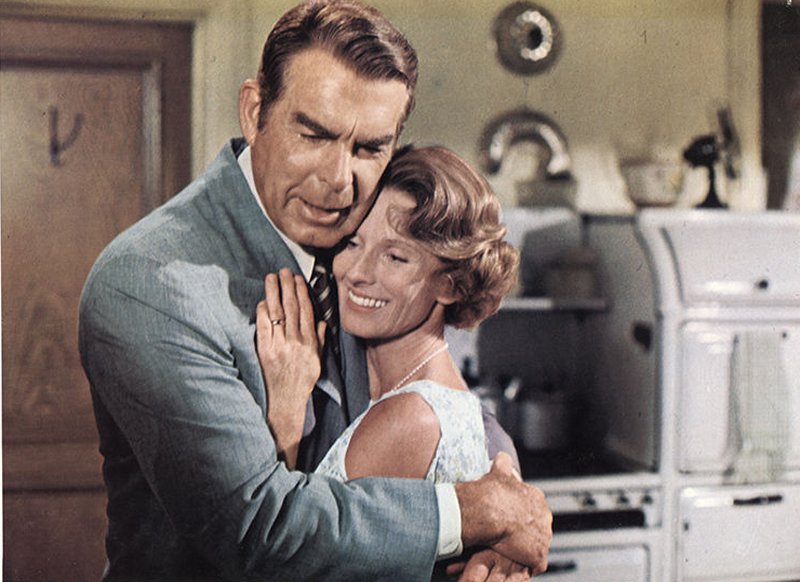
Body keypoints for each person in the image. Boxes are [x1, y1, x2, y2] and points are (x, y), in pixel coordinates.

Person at [78, 1, 552, 580]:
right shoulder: (150, 284)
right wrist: (475, 513)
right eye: (314, 134)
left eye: (369, 148)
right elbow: (259, 529)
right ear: (254, 111)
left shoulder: (356, 230)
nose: (337, 181)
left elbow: (436, 395)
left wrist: (501, 497)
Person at [257, 144, 517, 488]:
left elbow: (285, 524)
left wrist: (286, 414)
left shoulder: (409, 419)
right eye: (353, 243)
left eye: (395, 257)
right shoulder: (431, 401)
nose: (357, 272)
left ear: (451, 285)